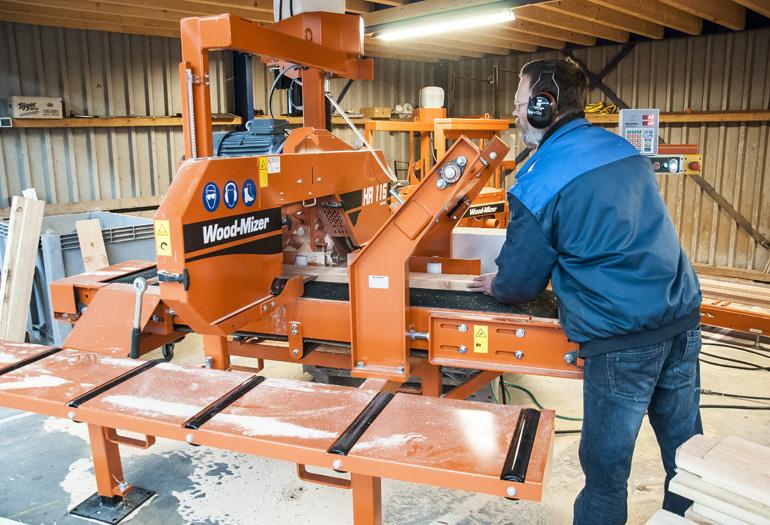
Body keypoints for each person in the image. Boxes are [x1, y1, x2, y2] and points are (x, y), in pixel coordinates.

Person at [468, 58, 703, 525]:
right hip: (681, 319)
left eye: (520, 103)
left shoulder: (539, 179)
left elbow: (520, 283)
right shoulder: (621, 150)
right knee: (688, 457)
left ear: (544, 105)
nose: (515, 113)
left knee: (605, 472)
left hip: (621, 341)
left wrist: (498, 283)